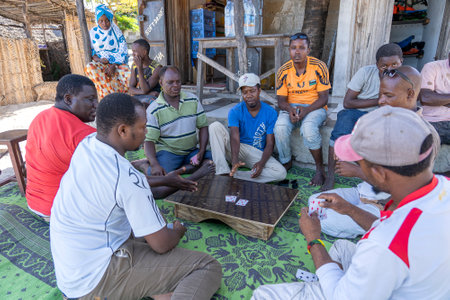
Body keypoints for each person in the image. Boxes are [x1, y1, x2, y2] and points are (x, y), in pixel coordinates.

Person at [252, 106, 450, 300]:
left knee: (263, 294)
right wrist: (348, 209)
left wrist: (313, 239)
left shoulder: (381, 245)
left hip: (361, 289)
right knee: (340, 248)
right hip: (410, 278)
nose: (356, 168)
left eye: (359, 162)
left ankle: (324, 284)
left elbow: (342, 295)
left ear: (380, 174)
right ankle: (327, 279)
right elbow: (392, 229)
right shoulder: (443, 186)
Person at [50, 93, 222, 300]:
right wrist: (177, 232)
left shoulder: (87, 145)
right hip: (95, 278)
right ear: (122, 130)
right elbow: (162, 245)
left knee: (154, 237)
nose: (147, 132)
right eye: (143, 127)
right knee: (206, 266)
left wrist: (163, 179)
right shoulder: (128, 179)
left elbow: (125, 186)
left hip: (73, 269)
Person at [306, 65, 440, 238]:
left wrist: (356, 171)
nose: (381, 101)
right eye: (380, 94)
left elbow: (402, 190)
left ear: (410, 94)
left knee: (325, 221)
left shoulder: (423, 138)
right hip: (363, 191)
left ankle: (379, 228)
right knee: (315, 201)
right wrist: (352, 158)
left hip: (385, 205)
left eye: (388, 95)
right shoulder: (385, 120)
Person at [322, 43, 403, 191]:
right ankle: (331, 176)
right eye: (384, 66)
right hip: (358, 111)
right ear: (377, 64)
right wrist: (378, 100)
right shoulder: (365, 73)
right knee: (343, 123)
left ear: (401, 62)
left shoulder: (405, 77)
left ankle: (374, 175)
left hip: (384, 114)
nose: (390, 69)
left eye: (394, 64)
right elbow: (347, 102)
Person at [25, 74, 97, 221]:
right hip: (60, 210)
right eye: (90, 100)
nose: (96, 104)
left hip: (34, 203)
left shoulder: (39, 117)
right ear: (68, 99)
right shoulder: (85, 134)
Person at [274, 32, 331, 186]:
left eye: (301, 48)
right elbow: (281, 100)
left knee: (308, 128)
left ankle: (320, 169)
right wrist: (290, 109)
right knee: (280, 127)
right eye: (293, 48)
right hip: (292, 107)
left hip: (315, 107)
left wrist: (305, 111)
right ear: (289, 50)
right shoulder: (283, 71)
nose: (297, 52)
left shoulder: (319, 67)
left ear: (308, 50)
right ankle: (286, 162)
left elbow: (324, 98)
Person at [209, 73, 286, 183]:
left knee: (280, 173)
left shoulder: (270, 112)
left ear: (259, 90)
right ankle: (222, 171)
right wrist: (235, 159)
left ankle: (235, 176)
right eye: (245, 92)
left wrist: (261, 163)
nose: (248, 95)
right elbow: (235, 137)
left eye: (252, 91)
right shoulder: (235, 111)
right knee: (214, 126)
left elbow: (270, 143)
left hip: (256, 153)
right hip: (237, 149)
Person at [144, 66, 213, 176]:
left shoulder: (193, 100)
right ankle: (144, 164)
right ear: (161, 83)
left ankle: (178, 170)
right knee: (157, 174)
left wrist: (201, 151)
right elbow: (149, 141)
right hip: (169, 153)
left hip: (191, 151)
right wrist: (154, 164)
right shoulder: (154, 109)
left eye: (178, 81)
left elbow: (203, 126)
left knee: (213, 161)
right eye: (170, 82)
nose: (175, 85)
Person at [85, 4, 130, 99]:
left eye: (107, 20)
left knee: (129, 75)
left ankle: (124, 96)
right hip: (102, 63)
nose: (104, 24)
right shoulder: (93, 33)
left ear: (110, 20)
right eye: (101, 21)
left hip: (118, 63)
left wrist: (114, 65)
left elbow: (123, 50)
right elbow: (92, 51)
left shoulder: (116, 31)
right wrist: (99, 60)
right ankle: (109, 95)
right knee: (90, 68)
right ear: (97, 21)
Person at [419, 51, 450, 145]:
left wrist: (438, 97)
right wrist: (432, 97)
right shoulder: (432, 67)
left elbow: (431, 97)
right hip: (433, 121)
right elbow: (425, 98)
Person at [128, 39, 162, 108]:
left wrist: (140, 68)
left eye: (135, 51)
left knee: (144, 104)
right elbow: (130, 89)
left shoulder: (157, 68)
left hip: (155, 98)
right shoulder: (134, 66)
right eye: (132, 51)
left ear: (144, 52)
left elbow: (145, 89)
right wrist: (144, 92)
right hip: (145, 95)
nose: (133, 54)